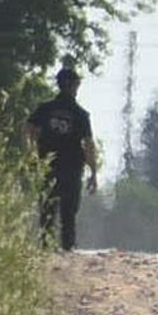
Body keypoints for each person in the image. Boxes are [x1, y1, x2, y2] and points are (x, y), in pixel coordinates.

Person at [24, 67, 98, 251]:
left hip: (48, 163)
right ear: (75, 86)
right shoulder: (81, 114)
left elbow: (27, 129)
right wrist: (93, 172)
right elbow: (88, 144)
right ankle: (68, 247)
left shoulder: (45, 108)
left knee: (47, 207)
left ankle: (45, 246)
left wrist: (31, 152)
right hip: (72, 166)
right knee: (69, 210)